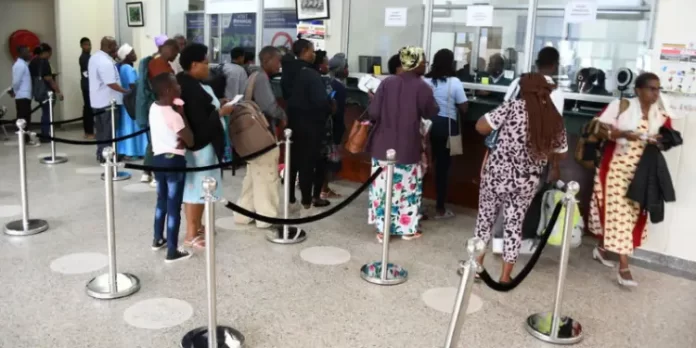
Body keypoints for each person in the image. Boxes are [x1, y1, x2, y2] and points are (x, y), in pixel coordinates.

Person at [474, 73, 567, 283]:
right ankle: (506, 276)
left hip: (497, 176)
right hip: (527, 181)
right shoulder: (554, 118)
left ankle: (477, 266)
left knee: (485, 220)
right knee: (514, 225)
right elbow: (562, 153)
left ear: (524, 90)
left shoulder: (512, 107)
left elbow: (481, 127)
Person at [589, 73, 673, 287]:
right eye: (651, 88)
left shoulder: (660, 113)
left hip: (642, 174)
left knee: (632, 215)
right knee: (620, 216)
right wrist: (625, 134)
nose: (655, 93)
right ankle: (624, 268)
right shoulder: (622, 106)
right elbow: (598, 129)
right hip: (615, 170)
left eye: (658, 89)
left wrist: (660, 141)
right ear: (638, 90)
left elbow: (668, 139)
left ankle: (601, 249)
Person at [489, 46, 565, 255]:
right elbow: (554, 131)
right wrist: (555, 165)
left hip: (508, 150)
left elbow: (503, 112)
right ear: (555, 65)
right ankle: (522, 241)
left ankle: (498, 241)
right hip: (536, 153)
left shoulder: (518, 82)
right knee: (530, 197)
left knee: (505, 194)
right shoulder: (555, 91)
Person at [367, 46, 438, 242]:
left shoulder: (387, 83)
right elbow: (431, 112)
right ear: (413, 62)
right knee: (407, 189)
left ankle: (383, 230)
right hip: (408, 148)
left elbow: (373, 113)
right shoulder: (422, 87)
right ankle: (406, 229)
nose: (425, 64)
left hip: (382, 147)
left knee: (383, 189)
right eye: (423, 60)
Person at [177, 43, 235, 249]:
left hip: (208, 146)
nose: (208, 66)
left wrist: (218, 103)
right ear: (194, 64)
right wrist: (220, 112)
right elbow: (197, 119)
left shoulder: (197, 84)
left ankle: (198, 226)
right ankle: (190, 234)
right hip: (199, 147)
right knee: (195, 188)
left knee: (204, 188)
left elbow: (205, 108)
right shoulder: (187, 87)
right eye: (205, 62)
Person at [233, 46, 286, 229]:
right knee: (267, 176)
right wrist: (283, 116)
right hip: (263, 137)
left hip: (250, 138)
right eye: (277, 61)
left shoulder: (252, 76)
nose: (279, 65)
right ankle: (266, 217)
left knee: (252, 177)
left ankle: (243, 214)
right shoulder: (262, 78)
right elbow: (270, 106)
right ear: (267, 60)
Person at [149, 72, 194, 263]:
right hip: (174, 162)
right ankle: (172, 251)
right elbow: (190, 140)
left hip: (158, 160)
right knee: (174, 206)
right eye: (176, 84)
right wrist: (182, 115)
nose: (180, 87)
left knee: (162, 201)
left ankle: (158, 238)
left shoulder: (154, 107)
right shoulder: (174, 116)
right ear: (168, 90)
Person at [286, 39, 333, 211]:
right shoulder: (311, 74)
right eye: (312, 51)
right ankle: (306, 200)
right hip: (311, 125)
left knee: (292, 163)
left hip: (292, 123)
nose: (314, 54)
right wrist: (330, 107)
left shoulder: (287, 71)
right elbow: (321, 101)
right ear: (305, 51)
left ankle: (290, 197)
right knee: (307, 163)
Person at [424, 49, 469, 219]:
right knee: (442, 169)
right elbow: (464, 107)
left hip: (427, 126)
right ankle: (440, 209)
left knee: (423, 165)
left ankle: (416, 204)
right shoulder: (455, 82)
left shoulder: (425, 80)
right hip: (447, 127)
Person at [138, 38, 180, 184]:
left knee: (155, 140)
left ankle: (148, 171)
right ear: (167, 48)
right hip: (160, 106)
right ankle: (153, 173)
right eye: (176, 51)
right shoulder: (157, 64)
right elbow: (163, 86)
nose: (176, 55)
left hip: (162, 105)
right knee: (157, 141)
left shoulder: (161, 63)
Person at [88, 37, 129, 163]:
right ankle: (107, 157)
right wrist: (126, 91)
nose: (117, 48)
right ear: (110, 46)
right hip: (108, 102)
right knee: (108, 131)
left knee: (101, 130)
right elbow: (111, 83)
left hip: (97, 101)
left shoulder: (95, 57)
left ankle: (101, 153)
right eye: (115, 46)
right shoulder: (105, 62)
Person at [321, 53, 349, 199]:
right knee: (330, 161)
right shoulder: (339, 87)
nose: (348, 70)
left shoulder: (326, 82)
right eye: (346, 67)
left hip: (323, 127)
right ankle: (324, 189)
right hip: (333, 129)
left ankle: (321, 188)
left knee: (323, 159)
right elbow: (338, 112)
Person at [116, 44, 147, 159]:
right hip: (132, 102)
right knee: (134, 127)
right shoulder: (129, 69)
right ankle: (136, 151)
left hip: (125, 102)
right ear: (126, 56)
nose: (135, 55)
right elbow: (133, 86)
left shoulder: (122, 67)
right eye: (132, 53)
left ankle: (127, 150)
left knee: (126, 127)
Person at [29, 43, 63, 139]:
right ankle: (45, 134)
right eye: (50, 52)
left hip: (37, 91)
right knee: (47, 113)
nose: (50, 55)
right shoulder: (44, 62)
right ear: (46, 52)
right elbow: (49, 79)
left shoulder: (33, 62)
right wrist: (58, 91)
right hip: (46, 92)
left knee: (45, 113)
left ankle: (45, 132)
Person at [10, 46, 35, 145]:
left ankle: (26, 139)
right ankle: (24, 139)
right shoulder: (19, 65)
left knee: (26, 118)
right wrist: (14, 91)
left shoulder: (23, 64)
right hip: (22, 96)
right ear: (21, 53)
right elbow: (16, 82)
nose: (30, 54)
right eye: (27, 52)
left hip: (25, 95)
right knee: (23, 119)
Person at [79, 37, 94, 139]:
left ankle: (89, 131)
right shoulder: (84, 58)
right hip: (87, 86)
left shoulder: (89, 57)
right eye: (86, 45)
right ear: (82, 46)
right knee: (88, 108)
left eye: (89, 44)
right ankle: (88, 132)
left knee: (89, 108)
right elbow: (87, 73)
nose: (88, 46)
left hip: (89, 85)